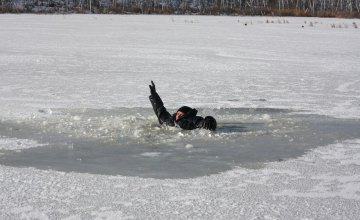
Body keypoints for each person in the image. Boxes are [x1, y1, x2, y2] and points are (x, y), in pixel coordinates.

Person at [149, 81, 217, 131]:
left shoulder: (192, 119)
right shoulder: (170, 120)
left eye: (181, 115)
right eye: (178, 113)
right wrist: (154, 95)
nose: (178, 116)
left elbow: (201, 122)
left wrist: (209, 121)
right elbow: (160, 110)